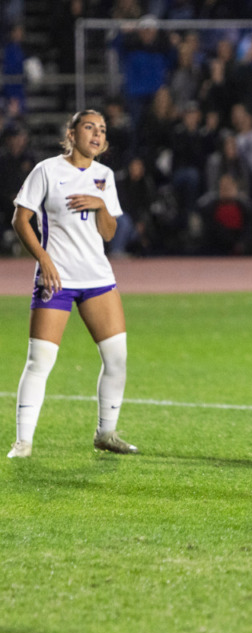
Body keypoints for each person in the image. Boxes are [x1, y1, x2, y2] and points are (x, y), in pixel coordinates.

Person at [8, 109, 136, 458]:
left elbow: (108, 233)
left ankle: (106, 434)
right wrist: (44, 260)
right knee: (40, 361)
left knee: (116, 358)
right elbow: (21, 219)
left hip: (97, 278)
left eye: (102, 130)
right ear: (72, 133)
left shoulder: (104, 176)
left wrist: (100, 206)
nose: (97, 134)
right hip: (57, 278)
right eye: (89, 127)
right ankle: (23, 442)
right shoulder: (47, 170)